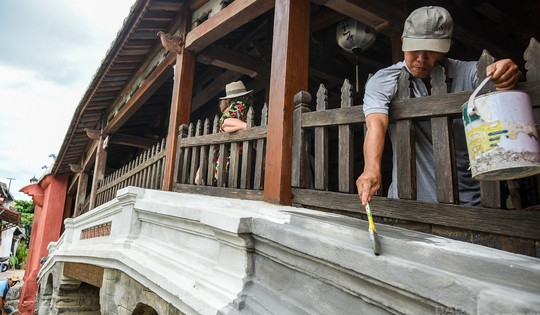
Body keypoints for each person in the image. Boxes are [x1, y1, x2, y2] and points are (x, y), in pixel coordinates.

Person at [356, 6, 521, 206]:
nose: (421, 59)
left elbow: (494, 80)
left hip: (472, 202)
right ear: (403, 42)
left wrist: (505, 72)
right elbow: (376, 124)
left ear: (447, 46)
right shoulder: (384, 80)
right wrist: (371, 169)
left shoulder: (468, 73)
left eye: (431, 51)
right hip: (409, 202)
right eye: (414, 49)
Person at [195, 80, 252, 184]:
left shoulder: (231, 109)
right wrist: (248, 127)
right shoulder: (240, 104)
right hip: (236, 153)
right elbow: (226, 123)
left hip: (224, 156)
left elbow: (225, 124)